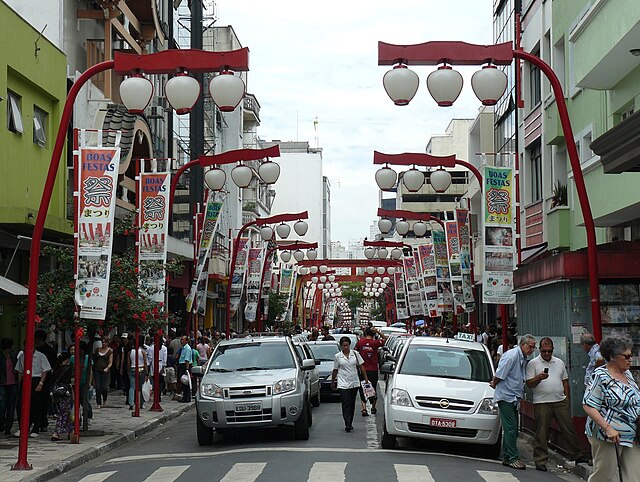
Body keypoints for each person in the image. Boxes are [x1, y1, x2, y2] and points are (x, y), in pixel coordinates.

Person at [582, 336, 640, 481]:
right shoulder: (600, 376)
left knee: (634, 476)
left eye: (631, 355)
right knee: (604, 476)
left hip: (632, 434)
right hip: (608, 436)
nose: (630, 359)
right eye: (626, 356)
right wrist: (607, 428)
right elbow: (588, 405)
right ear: (613, 357)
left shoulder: (627, 374)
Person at [525, 337, 587, 471]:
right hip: (542, 402)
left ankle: (576, 454)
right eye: (544, 351)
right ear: (539, 350)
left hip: (559, 400)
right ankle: (540, 460)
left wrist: (566, 397)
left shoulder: (559, 362)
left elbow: (565, 380)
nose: (547, 354)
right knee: (541, 432)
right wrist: (539, 378)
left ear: (553, 350)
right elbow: (529, 384)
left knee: (568, 428)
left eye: (549, 351)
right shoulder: (533, 364)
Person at [489, 334, 537, 470]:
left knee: (513, 429)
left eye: (533, 347)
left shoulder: (522, 357)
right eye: (530, 347)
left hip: (514, 395)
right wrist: (494, 383)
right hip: (506, 395)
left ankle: (507, 457)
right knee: (510, 428)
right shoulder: (512, 356)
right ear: (523, 344)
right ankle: (513, 458)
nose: (531, 350)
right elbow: (500, 374)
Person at [331, 336, 369, 432]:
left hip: (354, 382)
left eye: (347, 345)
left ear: (349, 345)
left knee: (351, 403)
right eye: (344, 346)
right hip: (343, 383)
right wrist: (333, 381)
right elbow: (335, 370)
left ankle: (350, 421)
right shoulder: (337, 356)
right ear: (341, 346)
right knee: (346, 402)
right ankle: (347, 423)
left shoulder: (355, 354)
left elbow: (361, 366)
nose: (346, 347)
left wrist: (366, 378)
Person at [15, 342, 52, 437]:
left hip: (36, 379)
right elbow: (19, 370)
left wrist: (41, 383)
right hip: (25, 380)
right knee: (20, 405)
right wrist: (20, 383)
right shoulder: (22, 357)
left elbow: (45, 370)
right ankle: (22, 428)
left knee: (36, 405)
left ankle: (35, 428)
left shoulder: (41, 356)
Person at [355, 327, 386, 416]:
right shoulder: (375, 343)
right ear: (373, 335)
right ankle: (373, 407)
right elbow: (384, 339)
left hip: (362, 369)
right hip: (373, 370)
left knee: (362, 388)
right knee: (373, 388)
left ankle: (364, 408)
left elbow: (355, 351)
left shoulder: (360, 342)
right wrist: (378, 332)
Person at [50, 352, 73, 441]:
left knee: (66, 411)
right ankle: (56, 432)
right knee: (64, 412)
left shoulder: (55, 369)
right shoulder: (68, 369)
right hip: (65, 392)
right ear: (66, 359)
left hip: (56, 392)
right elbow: (69, 381)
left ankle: (70, 431)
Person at [0, 338, 18, 436]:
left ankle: (8, 427)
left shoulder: (13, 356)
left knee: (11, 407)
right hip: (2, 383)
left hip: (13, 383)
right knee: (2, 406)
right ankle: (1, 424)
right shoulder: (1, 357)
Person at [127, 336, 148, 411]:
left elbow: (128, 363)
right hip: (141, 369)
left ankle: (131, 403)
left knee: (132, 387)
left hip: (132, 369)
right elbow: (145, 362)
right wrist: (147, 373)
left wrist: (129, 371)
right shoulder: (142, 352)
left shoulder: (130, 352)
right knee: (141, 387)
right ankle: (141, 403)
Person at [93, 335, 113, 408]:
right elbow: (94, 359)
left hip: (105, 370)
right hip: (97, 369)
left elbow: (110, 362)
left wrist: (107, 368)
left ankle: (104, 399)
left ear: (107, 343)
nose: (103, 344)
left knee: (104, 387)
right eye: (102, 342)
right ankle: (98, 402)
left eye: (105, 342)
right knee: (98, 386)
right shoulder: (97, 350)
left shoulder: (110, 351)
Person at [177, 336, 193, 403]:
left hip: (185, 366)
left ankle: (186, 398)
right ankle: (185, 397)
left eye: (183, 340)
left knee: (185, 382)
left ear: (186, 341)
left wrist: (187, 370)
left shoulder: (187, 348)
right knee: (183, 382)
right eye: (181, 339)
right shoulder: (183, 348)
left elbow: (187, 360)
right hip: (181, 365)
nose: (181, 341)